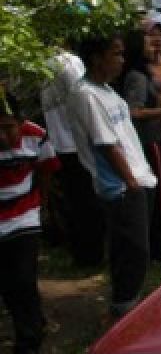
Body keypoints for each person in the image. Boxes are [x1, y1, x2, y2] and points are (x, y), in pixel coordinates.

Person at [69, 34, 158, 318]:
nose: (122, 60)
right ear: (97, 58)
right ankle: (124, 310)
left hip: (138, 179)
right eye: (115, 54)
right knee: (133, 251)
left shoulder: (107, 90)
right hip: (120, 186)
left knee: (136, 250)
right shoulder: (86, 94)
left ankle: (130, 305)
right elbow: (105, 144)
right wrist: (130, 182)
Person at [0, 89, 59, 354]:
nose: (3, 137)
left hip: (25, 215)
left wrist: (42, 206)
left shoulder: (36, 136)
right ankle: (32, 322)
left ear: (21, 122)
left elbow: (46, 169)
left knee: (23, 279)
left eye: (8, 128)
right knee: (11, 285)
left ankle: (28, 349)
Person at [39, 48, 104, 266]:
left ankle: (82, 253)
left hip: (60, 143)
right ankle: (92, 254)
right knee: (88, 201)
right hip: (77, 142)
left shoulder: (42, 65)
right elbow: (82, 98)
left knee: (75, 201)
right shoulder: (69, 62)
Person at [120, 26, 161, 262]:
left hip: (159, 136)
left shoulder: (151, 70)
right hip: (150, 138)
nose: (153, 44)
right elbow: (134, 111)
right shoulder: (137, 76)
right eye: (146, 41)